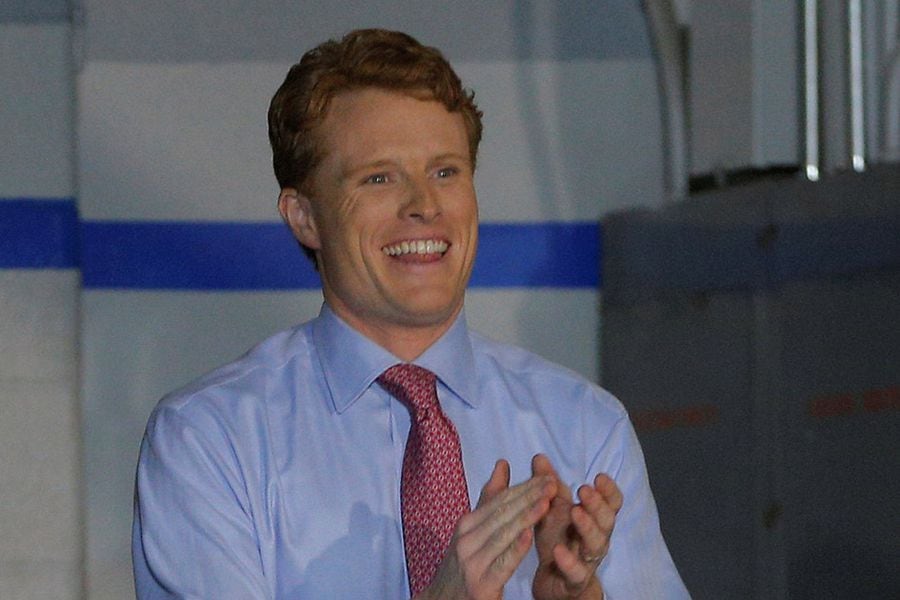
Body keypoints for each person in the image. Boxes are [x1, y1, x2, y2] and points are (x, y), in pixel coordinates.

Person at [132, 29, 689, 599]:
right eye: (379, 177)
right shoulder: (210, 440)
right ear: (304, 217)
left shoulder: (585, 427)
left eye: (446, 171)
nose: (424, 205)